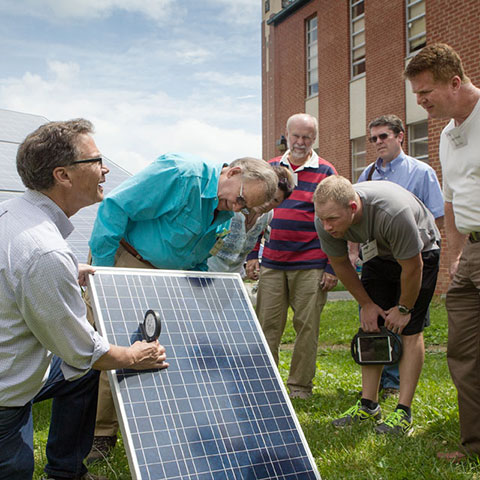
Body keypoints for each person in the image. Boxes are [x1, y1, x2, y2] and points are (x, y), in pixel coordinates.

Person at [0, 119, 168, 480]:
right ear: (63, 175)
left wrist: (61, 274)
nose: (105, 168)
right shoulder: (43, 251)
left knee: (79, 377)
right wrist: (134, 356)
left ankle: (66, 471)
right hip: (4, 401)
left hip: (10, 374)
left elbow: (14, 272)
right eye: (95, 160)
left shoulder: (13, 214)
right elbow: (82, 351)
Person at [87, 153, 278, 461]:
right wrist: (106, 277)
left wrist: (200, 294)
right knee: (116, 350)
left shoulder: (225, 207)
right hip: (125, 263)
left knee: (152, 353)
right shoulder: (179, 174)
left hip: (167, 279)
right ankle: (100, 434)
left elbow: (198, 257)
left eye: (244, 207)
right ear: (232, 171)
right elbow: (115, 208)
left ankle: (143, 428)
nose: (237, 208)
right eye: (239, 199)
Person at [314, 175, 440, 435]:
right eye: (323, 219)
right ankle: (368, 405)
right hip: (378, 253)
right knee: (370, 326)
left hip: (420, 252)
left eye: (333, 220)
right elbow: (340, 264)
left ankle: (403, 411)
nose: (326, 226)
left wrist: (404, 308)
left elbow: (413, 266)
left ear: (353, 207)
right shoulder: (324, 218)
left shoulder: (392, 213)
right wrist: (367, 304)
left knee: (409, 330)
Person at [405, 43, 480, 461]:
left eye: (425, 91)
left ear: (455, 82)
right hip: (470, 253)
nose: (420, 101)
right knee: (463, 353)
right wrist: (455, 256)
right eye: (416, 93)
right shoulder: (448, 136)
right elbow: (450, 204)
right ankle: (474, 446)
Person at [249, 113, 338, 400]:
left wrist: (330, 266)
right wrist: (253, 254)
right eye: (296, 136)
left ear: (315, 138)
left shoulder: (326, 172)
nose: (301, 142)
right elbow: (254, 212)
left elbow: (335, 223)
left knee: (307, 328)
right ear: (286, 135)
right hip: (272, 263)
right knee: (267, 327)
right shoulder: (269, 169)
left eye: (307, 137)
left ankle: (300, 387)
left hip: (311, 264)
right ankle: (266, 385)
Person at [354, 114, 444, 396]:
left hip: (413, 259)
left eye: (384, 136)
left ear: (400, 136)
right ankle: (374, 390)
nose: (378, 143)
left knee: (406, 322)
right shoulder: (366, 174)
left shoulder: (421, 172)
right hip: (377, 260)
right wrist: (356, 251)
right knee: (375, 320)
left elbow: (436, 219)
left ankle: (397, 387)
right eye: (374, 139)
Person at [207, 166, 295, 276]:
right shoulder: (232, 206)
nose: (268, 203)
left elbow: (257, 237)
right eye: (268, 195)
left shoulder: (267, 216)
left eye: (275, 200)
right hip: (207, 272)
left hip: (234, 277)